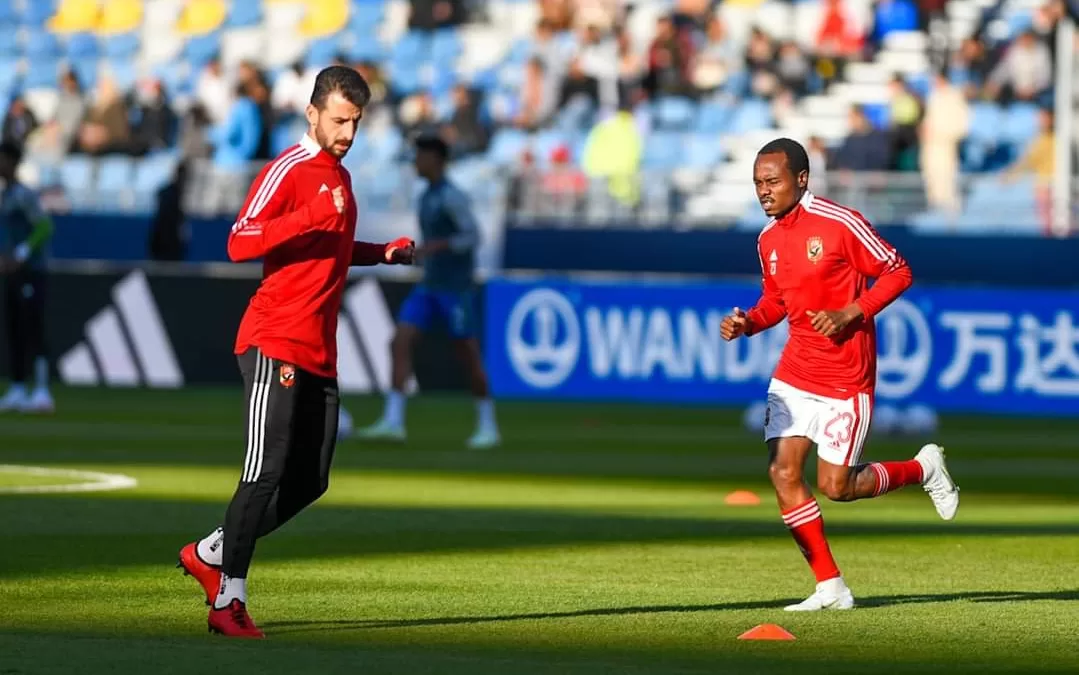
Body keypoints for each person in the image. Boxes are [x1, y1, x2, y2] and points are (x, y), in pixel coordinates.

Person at [176, 66, 416, 639]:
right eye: (339, 120)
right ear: (312, 114)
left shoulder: (339, 177)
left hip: (317, 350)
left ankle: (211, 551)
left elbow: (327, 245)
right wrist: (312, 213)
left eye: (356, 122)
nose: (348, 132)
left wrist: (380, 253)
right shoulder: (289, 169)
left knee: (310, 480)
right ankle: (227, 600)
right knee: (264, 473)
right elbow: (239, 241)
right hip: (274, 339)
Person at [720, 138, 959, 612]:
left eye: (772, 181)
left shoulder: (839, 223)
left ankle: (923, 468)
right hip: (795, 371)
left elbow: (897, 270)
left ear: (801, 179)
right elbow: (776, 302)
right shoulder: (766, 238)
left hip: (846, 375)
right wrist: (749, 321)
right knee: (783, 472)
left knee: (838, 487)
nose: (763, 191)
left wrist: (852, 311)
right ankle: (831, 587)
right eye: (757, 184)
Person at [357, 134, 500, 450]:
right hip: (430, 286)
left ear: (437, 159)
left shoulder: (452, 197)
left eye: (421, 157)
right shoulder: (426, 197)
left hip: (455, 289)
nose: (416, 163)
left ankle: (488, 425)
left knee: (468, 355)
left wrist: (437, 247)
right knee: (400, 341)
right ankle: (393, 422)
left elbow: (473, 237)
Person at [0, 142, 54, 413]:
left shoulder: (23, 195)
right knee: (14, 329)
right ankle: (18, 387)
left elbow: (45, 226)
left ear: (12, 162)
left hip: (32, 272)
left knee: (34, 328)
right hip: (13, 273)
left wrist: (22, 253)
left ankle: (43, 391)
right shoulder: (6, 195)